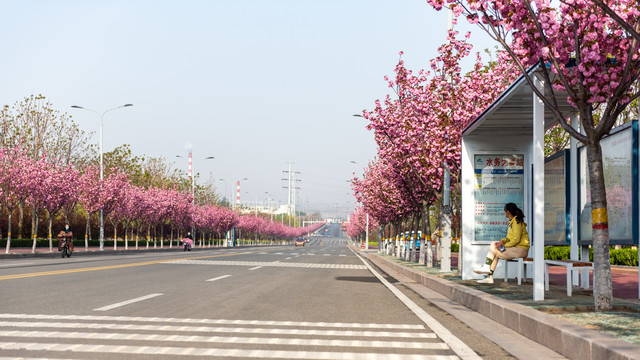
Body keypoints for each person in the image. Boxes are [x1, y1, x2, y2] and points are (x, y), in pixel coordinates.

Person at [473, 203, 530, 284]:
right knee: (494, 244)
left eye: (505, 211)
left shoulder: (517, 222)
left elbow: (516, 240)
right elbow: (509, 238)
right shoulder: (512, 222)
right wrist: (502, 241)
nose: (504, 213)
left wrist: (504, 246)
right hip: (515, 249)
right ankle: (489, 276)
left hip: (521, 250)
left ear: (508, 212)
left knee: (495, 251)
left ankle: (487, 270)